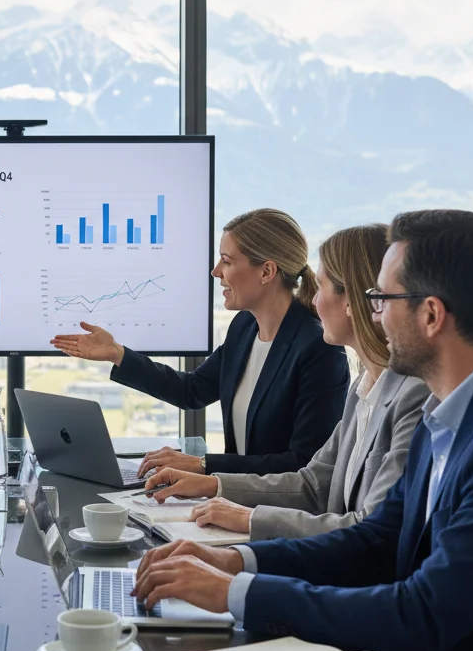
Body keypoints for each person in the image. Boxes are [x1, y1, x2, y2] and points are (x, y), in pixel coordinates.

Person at [133, 209, 473, 651]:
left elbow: (425, 612)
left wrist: (234, 593)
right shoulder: (448, 413)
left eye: (383, 298)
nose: (374, 313)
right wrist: (234, 561)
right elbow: (378, 541)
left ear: (431, 314)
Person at [145, 225, 429, 540]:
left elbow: (370, 530)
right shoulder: (365, 386)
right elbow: (312, 484)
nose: (314, 301)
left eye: (320, 288)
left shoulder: (411, 396)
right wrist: (214, 484)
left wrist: (248, 522)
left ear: (351, 300)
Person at [51, 208, 349, 475]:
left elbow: (304, 464)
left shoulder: (318, 348)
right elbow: (191, 391)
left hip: (275, 514)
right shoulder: (244, 328)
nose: (216, 271)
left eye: (227, 261)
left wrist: (203, 465)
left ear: (267, 271)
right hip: (233, 503)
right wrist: (118, 354)